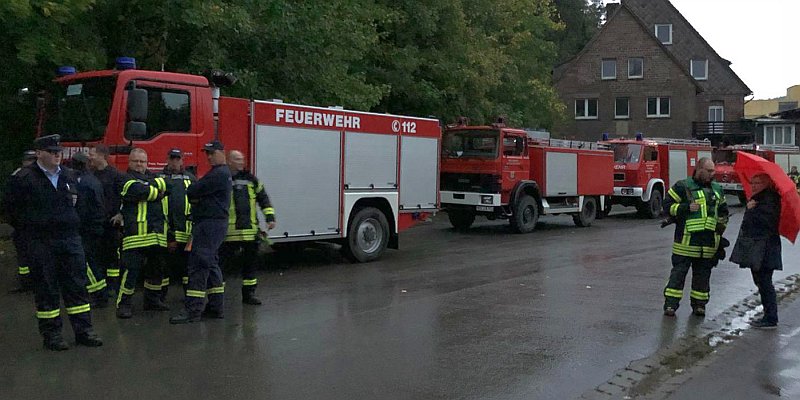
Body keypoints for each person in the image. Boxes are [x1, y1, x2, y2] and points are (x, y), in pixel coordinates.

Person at [4, 135, 102, 350]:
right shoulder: (23, 179)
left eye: (58, 151)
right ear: (39, 153)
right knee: (47, 289)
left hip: (69, 239)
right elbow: (11, 211)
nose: (57, 155)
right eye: (52, 151)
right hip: (41, 242)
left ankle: (84, 330)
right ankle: (52, 335)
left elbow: (79, 206)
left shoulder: (69, 176)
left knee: (77, 286)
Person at [171, 141, 232, 324]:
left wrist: (196, 196)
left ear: (222, 152)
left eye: (212, 153)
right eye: (207, 153)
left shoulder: (219, 173)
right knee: (211, 264)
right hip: (212, 224)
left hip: (209, 224)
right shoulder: (221, 173)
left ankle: (193, 310)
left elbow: (193, 190)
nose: (209, 156)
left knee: (198, 266)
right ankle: (215, 307)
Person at [661, 157, 729, 317]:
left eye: (713, 170)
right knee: (678, 276)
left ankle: (699, 306)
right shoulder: (683, 187)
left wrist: (721, 226)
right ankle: (670, 305)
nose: (713, 173)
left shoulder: (717, 189)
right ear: (699, 169)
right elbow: (666, 206)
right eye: (710, 171)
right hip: (685, 243)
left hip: (708, 245)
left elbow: (724, 212)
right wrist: (685, 208)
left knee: (703, 278)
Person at [116, 148, 171, 319]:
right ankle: (123, 304)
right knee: (130, 271)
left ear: (147, 163)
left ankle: (152, 301)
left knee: (156, 270)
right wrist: (155, 191)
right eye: (136, 161)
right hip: (136, 235)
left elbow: (167, 186)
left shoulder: (154, 177)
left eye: (142, 161)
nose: (139, 164)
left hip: (156, 234)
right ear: (129, 162)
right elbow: (137, 191)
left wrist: (152, 188)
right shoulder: (125, 178)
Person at [220, 150, 276, 306]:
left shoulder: (251, 179)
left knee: (250, 266)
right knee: (222, 266)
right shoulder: (222, 178)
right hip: (228, 233)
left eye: (242, 159)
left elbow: (263, 199)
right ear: (229, 161)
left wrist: (270, 218)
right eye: (237, 159)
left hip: (250, 232)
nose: (241, 162)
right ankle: (217, 297)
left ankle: (249, 294)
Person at [731, 174, 782, 329]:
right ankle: (769, 315)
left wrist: (752, 210)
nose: (753, 186)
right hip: (760, 249)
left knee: (764, 282)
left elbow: (765, 223)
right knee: (761, 281)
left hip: (764, 249)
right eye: (752, 182)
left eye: (757, 183)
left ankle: (770, 317)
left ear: (766, 184)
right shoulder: (760, 199)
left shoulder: (768, 200)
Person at [72, 152, 110, 307]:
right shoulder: (92, 180)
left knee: (87, 262)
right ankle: (100, 293)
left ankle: (98, 294)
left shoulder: (82, 182)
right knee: (93, 260)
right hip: (95, 226)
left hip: (86, 228)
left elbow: (82, 208)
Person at [88, 144, 126, 294]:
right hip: (96, 223)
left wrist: (120, 214)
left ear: (102, 156)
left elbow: (125, 197)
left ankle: (112, 286)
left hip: (111, 223)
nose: (89, 157)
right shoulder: (91, 175)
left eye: (92, 154)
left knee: (112, 256)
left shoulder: (116, 175)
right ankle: (101, 285)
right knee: (97, 254)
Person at [157, 148, 196, 293]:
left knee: (187, 266)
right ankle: (161, 297)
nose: (174, 162)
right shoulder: (158, 177)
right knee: (163, 266)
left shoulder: (190, 178)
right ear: (167, 159)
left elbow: (197, 204)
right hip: (164, 230)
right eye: (172, 158)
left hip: (186, 231)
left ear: (182, 160)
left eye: (177, 159)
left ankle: (189, 295)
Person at [3, 150, 37, 293]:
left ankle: (26, 283)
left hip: (22, 223)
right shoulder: (42, 174)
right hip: (33, 222)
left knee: (24, 255)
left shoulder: (17, 176)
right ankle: (35, 280)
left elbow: (8, 201)